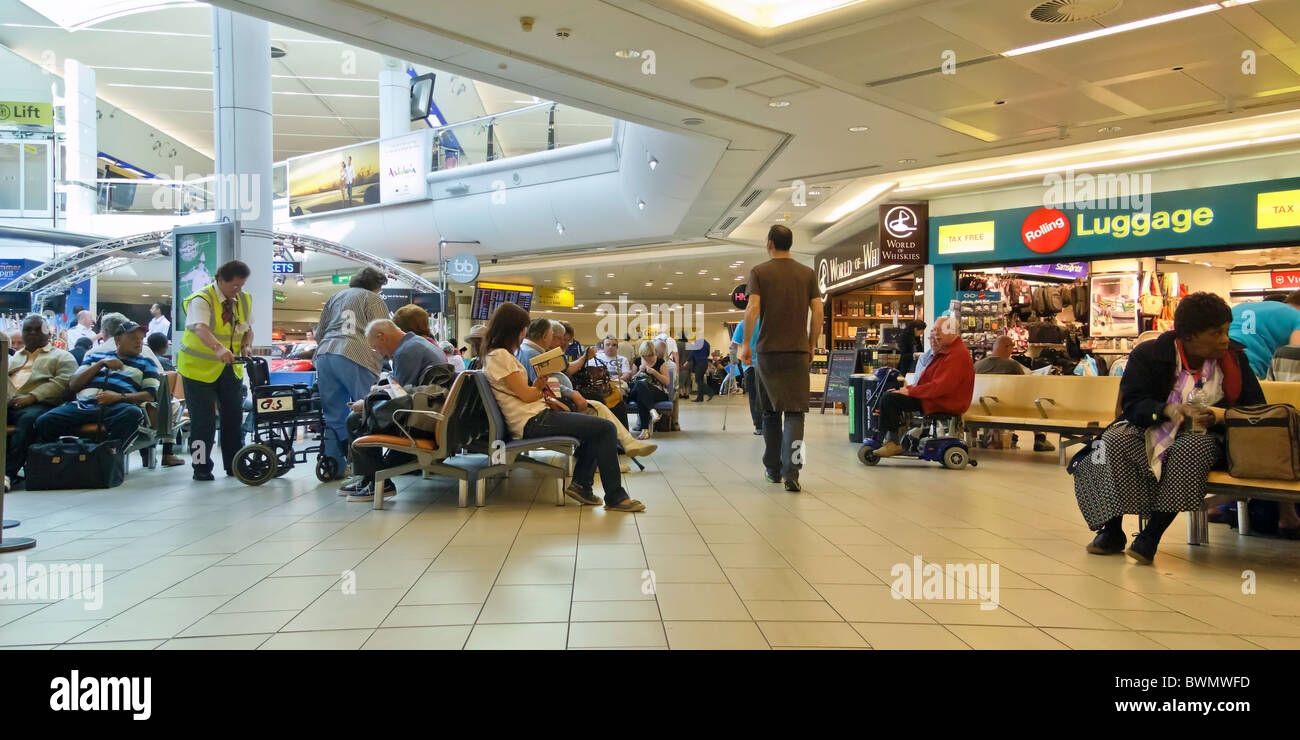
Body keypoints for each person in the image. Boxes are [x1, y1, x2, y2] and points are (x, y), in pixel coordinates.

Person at [1078, 292, 1268, 564]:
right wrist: (1166, 410)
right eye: (1216, 333)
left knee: (1191, 449)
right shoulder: (1149, 354)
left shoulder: (1235, 360)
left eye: (1226, 331)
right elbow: (1133, 404)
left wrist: (1219, 415)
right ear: (1189, 337)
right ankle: (1112, 530)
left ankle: (1151, 537)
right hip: (1152, 425)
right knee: (1112, 441)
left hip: (1208, 435)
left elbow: (1256, 409)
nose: (1225, 340)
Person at [480, 302, 644, 511]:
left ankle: (583, 485)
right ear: (511, 329)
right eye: (522, 329)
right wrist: (540, 384)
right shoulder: (501, 356)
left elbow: (520, 394)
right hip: (532, 421)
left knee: (598, 428)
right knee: (605, 428)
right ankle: (614, 496)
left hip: (535, 417)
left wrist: (543, 392)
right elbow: (527, 395)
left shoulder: (496, 355)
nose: (523, 334)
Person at [739, 224, 822, 492]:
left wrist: (745, 345)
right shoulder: (807, 274)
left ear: (770, 243)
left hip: (767, 352)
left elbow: (752, 309)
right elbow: (818, 311)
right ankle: (793, 473)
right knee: (797, 414)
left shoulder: (759, 272)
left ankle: (772, 470)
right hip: (797, 352)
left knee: (770, 414)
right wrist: (811, 344)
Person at [341, 319, 449, 501]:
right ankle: (369, 479)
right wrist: (378, 392)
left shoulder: (406, 351)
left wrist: (367, 402)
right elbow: (405, 388)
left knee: (356, 419)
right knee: (364, 412)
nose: (379, 353)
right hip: (430, 411)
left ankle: (377, 482)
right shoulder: (418, 343)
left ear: (381, 336)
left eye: (376, 347)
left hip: (419, 418)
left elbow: (399, 395)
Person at [177, 260, 253, 481]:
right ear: (220, 279)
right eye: (234, 286)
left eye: (242, 285)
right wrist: (218, 349)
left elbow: (248, 329)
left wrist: (246, 345)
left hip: (230, 370)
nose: (238, 290)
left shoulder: (244, 300)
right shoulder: (201, 299)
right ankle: (201, 467)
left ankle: (234, 465)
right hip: (197, 370)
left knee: (233, 419)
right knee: (203, 423)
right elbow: (200, 327)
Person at [542, 322, 656, 468]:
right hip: (563, 401)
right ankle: (617, 452)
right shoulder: (545, 355)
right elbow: (566, 373)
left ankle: (622, 447)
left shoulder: (550, 354)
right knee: (602, 409)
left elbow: (559, 377)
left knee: (614, 404)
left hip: (570, 396)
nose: (564, 343)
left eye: (567, 340)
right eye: (561, 339)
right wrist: (574, 391)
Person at [314, 266, 390, 479]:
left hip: (326, 354)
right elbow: (381, 330)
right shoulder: (373, 299)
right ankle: (365, 467)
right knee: (366, 410)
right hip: (357, 355)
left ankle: (335, 466)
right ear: (377, 286)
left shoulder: (335, 297)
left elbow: (320, 332)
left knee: (332, 414)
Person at [36, 320, 158, 448]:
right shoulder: (95, 356)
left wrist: (119, 397)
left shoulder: (147, 363)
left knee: (132, 414)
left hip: (117, 408)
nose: (139, 342)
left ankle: (108, 456)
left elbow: (150, 395)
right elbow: (73, 385)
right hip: (82, 406)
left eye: (141, 338)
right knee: (44, 421)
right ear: (118, 340)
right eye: (133, 338)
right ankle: (59, 459)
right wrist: (101, 364)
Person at [867, 318, 974, 458]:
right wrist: (908, 390)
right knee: (891, 395)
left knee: (890, 399)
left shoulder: (956, 355)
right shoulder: (948, 352)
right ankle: (891, 440)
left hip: (942, 401)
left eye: (939, 331)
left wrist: (910, 391)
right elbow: (931, 382)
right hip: (936, 398)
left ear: (953, 333)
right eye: (934, 331)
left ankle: (891, 442)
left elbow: (940, 386)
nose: (936, 335)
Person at [7, 315, 77, 487]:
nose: (32, 333)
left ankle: (7, 473)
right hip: (10, 402)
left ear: (48, 333)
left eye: (37, 330)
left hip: (41, 404)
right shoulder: (14, 358)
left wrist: (32, 397)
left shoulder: (62, 356)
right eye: (28, 330)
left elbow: (63, 383)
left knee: (29, 421)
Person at [973, 336, 1055, 453]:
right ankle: (1039, 437)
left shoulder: (978, 365)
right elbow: (1023, 385)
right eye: (1012, 347)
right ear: (1007, 347)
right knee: (1032, 400)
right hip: (1008, 408)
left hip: (981, 407)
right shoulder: (1012, 365)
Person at [1227, 290, 1300, 379]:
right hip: (1248, 369)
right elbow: (1295, 355)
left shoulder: (1239, 307)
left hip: (1218, 362)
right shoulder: (1297, 316)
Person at [145, 331, 185, 467]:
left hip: (142, 407)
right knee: (171, 406)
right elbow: (165, 381)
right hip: (155, 407)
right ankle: (167, 454)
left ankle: (146, 457)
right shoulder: (161, 362)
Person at [627, 340, 670, 439]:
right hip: (637, 389)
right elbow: (632, 380)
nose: (647, 358)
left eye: (650, 355)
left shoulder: (660, 362)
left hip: (655, 390)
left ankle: (645, 431)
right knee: (640, 384)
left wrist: (655, 372)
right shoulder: (637, 361)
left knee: (642, 397)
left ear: (653, 352)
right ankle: (652, 410)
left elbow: (667, 381)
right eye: (645, 356)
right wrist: (639, 372)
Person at [730, 316, 762, 435]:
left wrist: (733, 361)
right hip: (768, 366)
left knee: (754, 397)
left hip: (750, 366)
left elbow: (733, 346)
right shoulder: (769, 321)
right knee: (768, 396)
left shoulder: (743, 324)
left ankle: (759, 426)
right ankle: (770, 424)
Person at [515, 317, 554, 383]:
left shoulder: (523, 348)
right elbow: (544, 384)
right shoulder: (534, 355)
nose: (552, 339)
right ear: (544, 337)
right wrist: (569, 392)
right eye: (551, 335)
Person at [690, 335, 712, 402]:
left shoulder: (698, 343)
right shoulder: (707, 343)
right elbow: (708, 354)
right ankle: (700, 398)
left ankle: (710, 392)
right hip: (705, 362)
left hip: (699, 363)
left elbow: (693, 353)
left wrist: (688, 360)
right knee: (700, 380)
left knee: (697, 380)